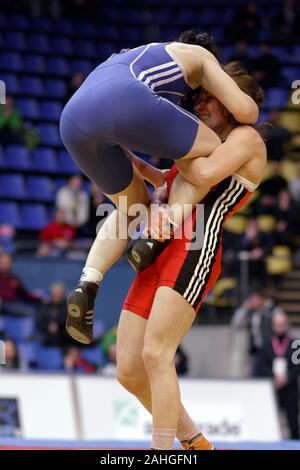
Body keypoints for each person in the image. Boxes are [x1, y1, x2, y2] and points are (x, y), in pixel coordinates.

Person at [66, 59, 266, 449]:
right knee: (128, 371)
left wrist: (164, 143)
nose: (200, 105)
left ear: (232, 99)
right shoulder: (197, 140)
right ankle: (195, 443)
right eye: (199, 98)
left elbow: (205, 177)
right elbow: (176, 181)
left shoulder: (246, 139)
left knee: (157, 354)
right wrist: (142, 166)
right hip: (157, 247)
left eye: (210, 98)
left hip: (196, 246)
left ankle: (162, 454)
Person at [61, 31, 258, 344]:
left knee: (131, 205)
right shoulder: (198, 57)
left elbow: (117, 121)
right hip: (124, 99)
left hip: (72, 120)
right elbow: (248, 113)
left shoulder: (133, 54)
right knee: (208, 146)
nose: (199, 100)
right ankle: (158, 232)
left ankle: (88, 283)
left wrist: (143, 169)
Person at [252, 310, 300, 439]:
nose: (281, 327)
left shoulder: (295, 344)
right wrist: (273, 377)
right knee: (270, 422)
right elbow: (259, 367)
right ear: (273, 326)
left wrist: (287, 377)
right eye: (278, 324)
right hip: (272, 389)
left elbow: (297, 366)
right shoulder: (266, 345)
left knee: (293, 423)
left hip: (291, 390)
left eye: (283, 323)